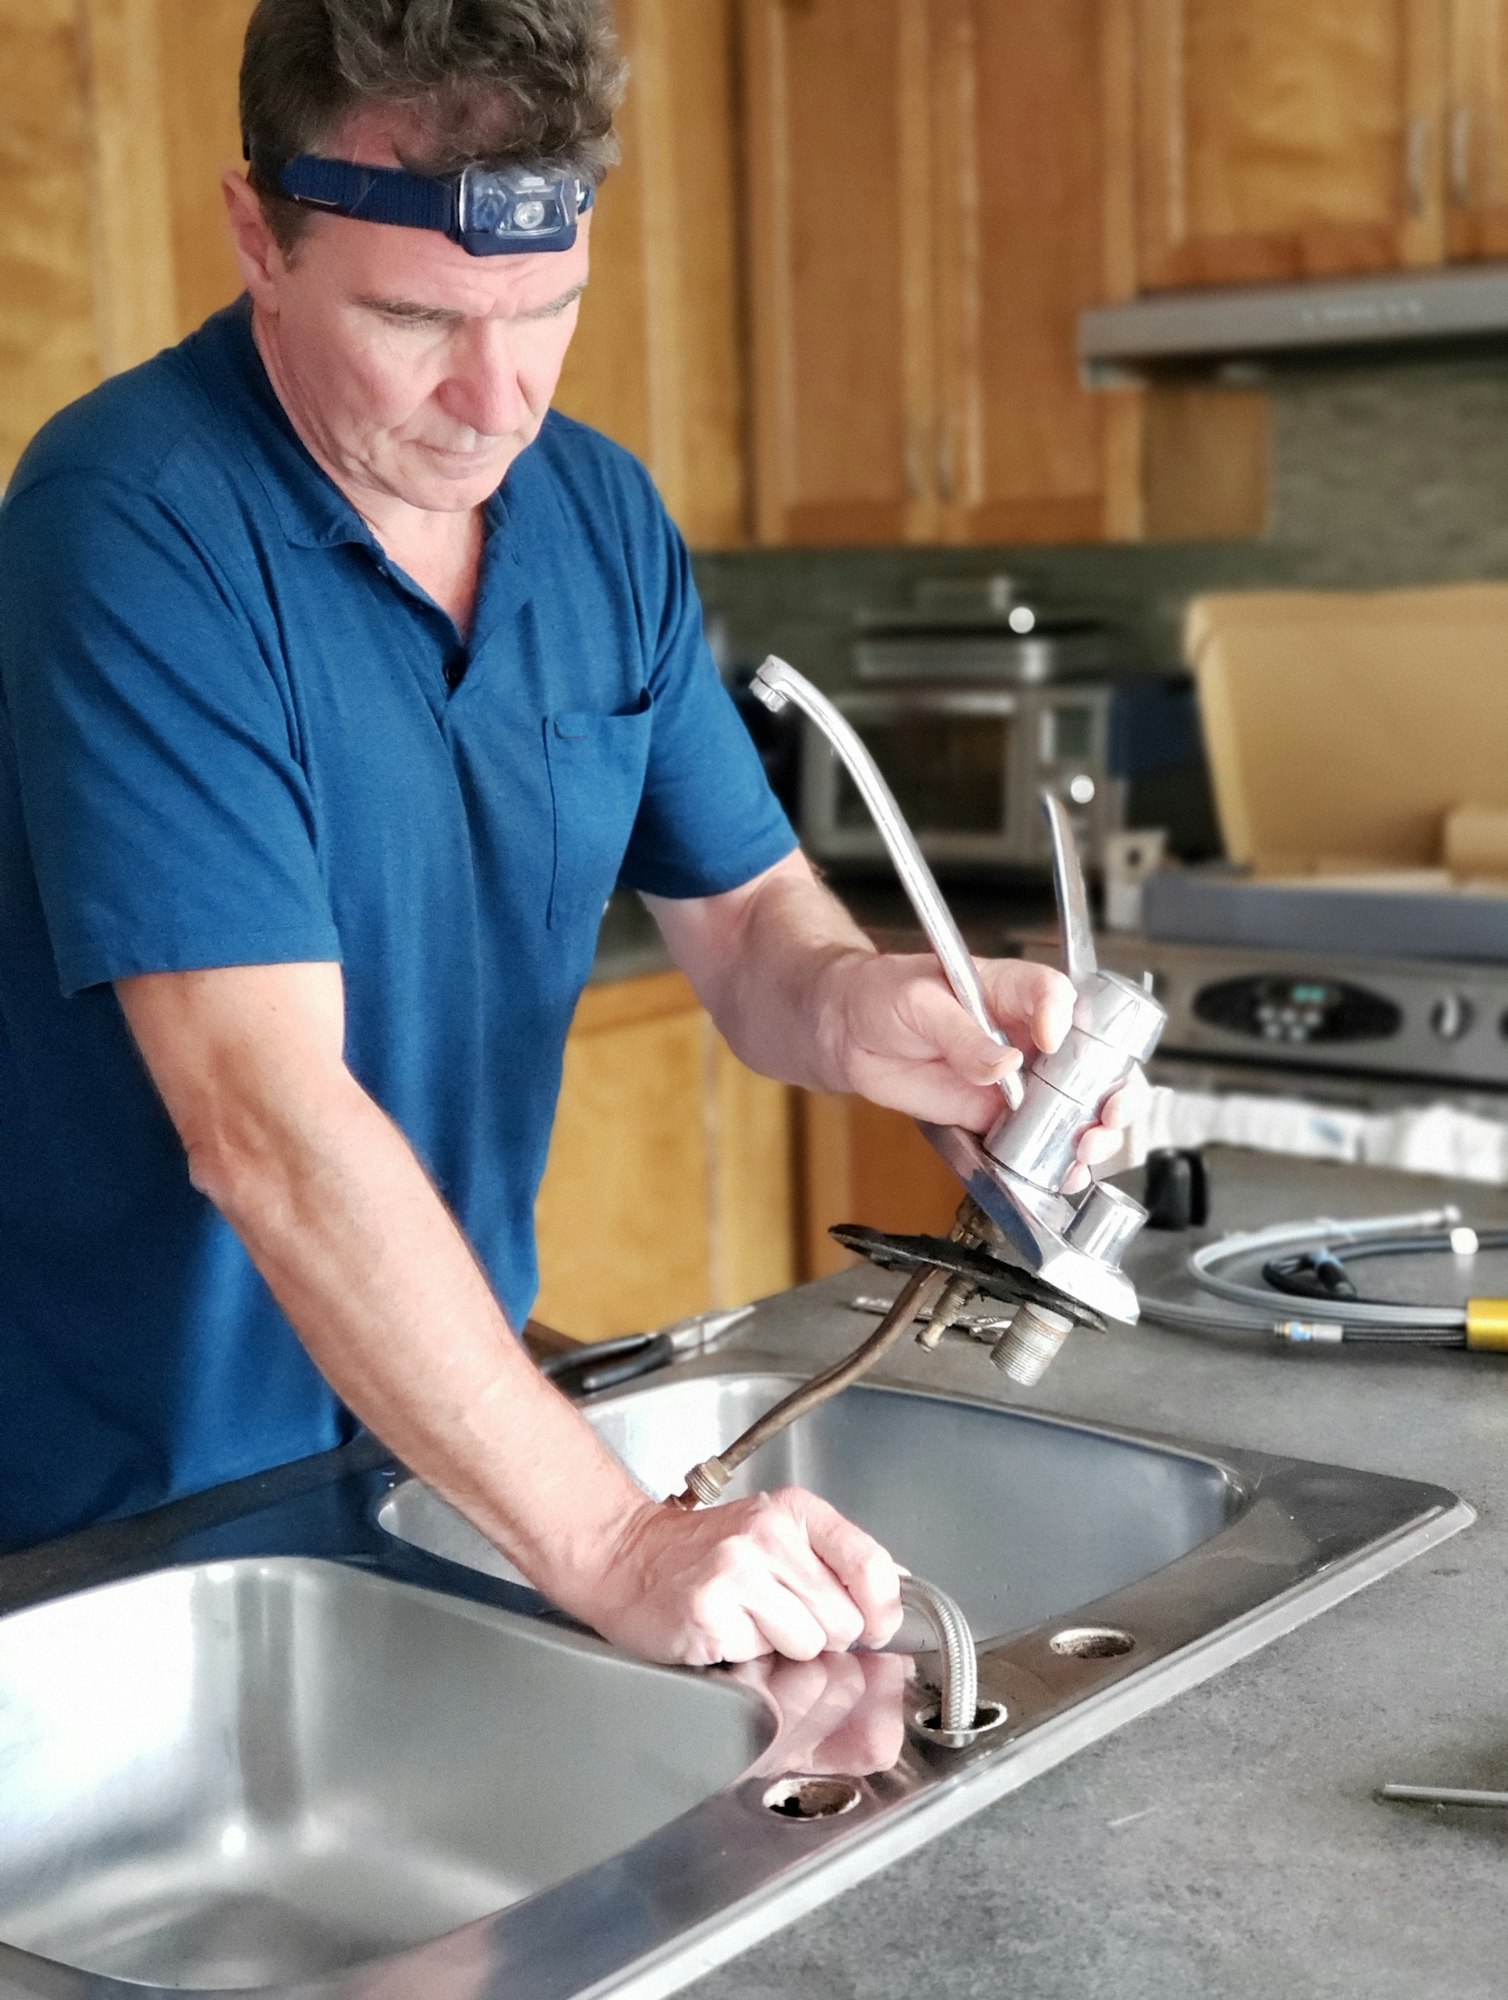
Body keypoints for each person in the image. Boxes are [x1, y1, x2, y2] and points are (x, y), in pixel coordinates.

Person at [0, 0, 1135, 1663]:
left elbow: (751, 926)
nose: (495, 398)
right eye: (414, 318)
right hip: (121, 1513)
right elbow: (266, 1119)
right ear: (259, 231)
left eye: (550, 310)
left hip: (435, 1459)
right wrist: (613, 1542)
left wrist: (867, 1010)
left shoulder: (595, 514)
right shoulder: (131, 528)